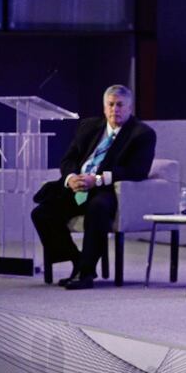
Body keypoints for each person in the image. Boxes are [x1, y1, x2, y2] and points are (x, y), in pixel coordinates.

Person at [31, 85, 156, 290]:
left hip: (106, 190)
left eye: (120, 105)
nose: (115, 109)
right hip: (76, 187)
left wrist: (96, 179)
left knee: (97, 208)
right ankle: (77, 260)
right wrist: (71, 178)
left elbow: (138, 170)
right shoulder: (88, 127)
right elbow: (69, 159)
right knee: (42, 213)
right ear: (104, 107)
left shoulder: (142, 133)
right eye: (111, 104)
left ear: (130, 108)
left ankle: (86, 273)